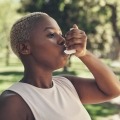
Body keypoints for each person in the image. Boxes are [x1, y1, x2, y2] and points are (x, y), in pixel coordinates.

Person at [0, 12, 120, 120]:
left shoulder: (67, 85)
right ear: (25, 48)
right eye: (51, 35)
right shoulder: (13, 102)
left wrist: (84, 54)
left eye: (61, 34)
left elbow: (113, 90)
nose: (63, 40)